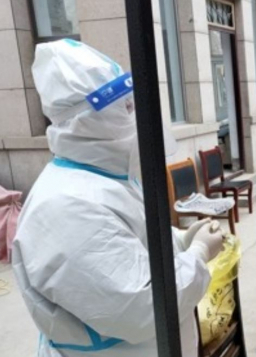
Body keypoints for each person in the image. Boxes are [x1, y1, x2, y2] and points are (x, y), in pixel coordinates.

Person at [11, 40, 226, 356]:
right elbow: (140, 308)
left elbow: (133, 246)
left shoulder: (105, 178)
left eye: (132, 104)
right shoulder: (65, 207)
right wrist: (196, 256)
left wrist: (179, 241)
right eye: (123, 108)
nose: (134, 115)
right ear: (85, 120)